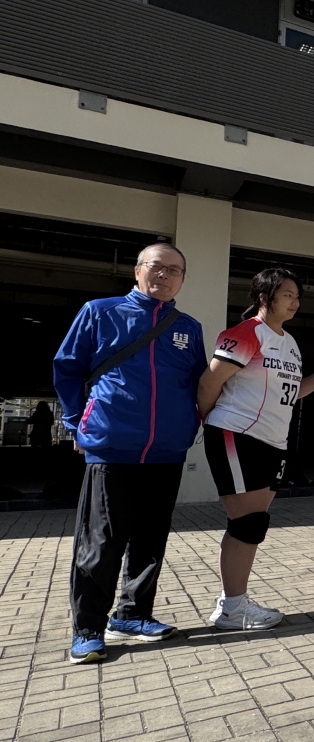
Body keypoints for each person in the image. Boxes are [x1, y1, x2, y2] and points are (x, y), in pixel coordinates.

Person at [53, 243, 205, 663]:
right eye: (157, 267)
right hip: (112, 444)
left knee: (150, 539)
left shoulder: (188, 327)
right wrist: (75, 422)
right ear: (138, 271)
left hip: (167, 449)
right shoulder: (100, 312)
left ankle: (133, 615)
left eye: (175, 270)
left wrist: (190, 423)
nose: (165, 275)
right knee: (101, 540)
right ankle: (88, 628)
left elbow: (197, 381)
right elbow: (68, 367)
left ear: (182, 280)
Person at [198, 268, 314, 630]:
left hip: (272, 442)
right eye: (287, 295)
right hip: (237, 434)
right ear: (264, 297)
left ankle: (234, 602)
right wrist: (208, 421)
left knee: (253, 524)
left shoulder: (290, 343)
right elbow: (209, 382)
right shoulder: (246, 333)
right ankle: (232, 608)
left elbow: (293, 393)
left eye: (297, 296)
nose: (295, 302)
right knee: (247, 523)